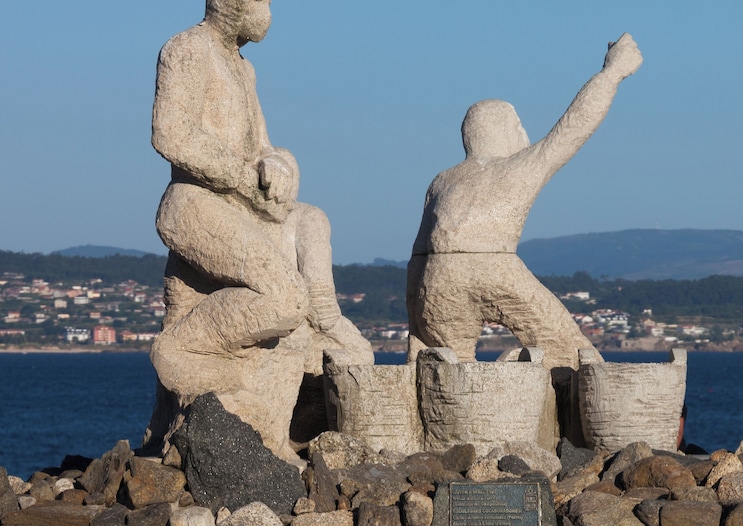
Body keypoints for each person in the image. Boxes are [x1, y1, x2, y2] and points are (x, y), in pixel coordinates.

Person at [145, 0, 370, 462]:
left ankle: (269, 436)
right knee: (287, 298)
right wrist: (246, 178)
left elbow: (262, 145)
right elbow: (170, 135)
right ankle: (181, 348)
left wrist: (279, 165)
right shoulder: (187, 49)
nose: (268, 10)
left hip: (240, 206)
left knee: (300, 307)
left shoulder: (242, 69)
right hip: (196, 203)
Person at [406, 34, 642, 373]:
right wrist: (613, 72)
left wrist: (416, 330)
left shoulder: (442, 180)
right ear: (505, 130)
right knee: (574, 357)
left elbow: (418, 258)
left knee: (452, 371)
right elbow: (573, 127)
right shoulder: (515, 167)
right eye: (518, 125)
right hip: (495, 267)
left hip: (438, 278)